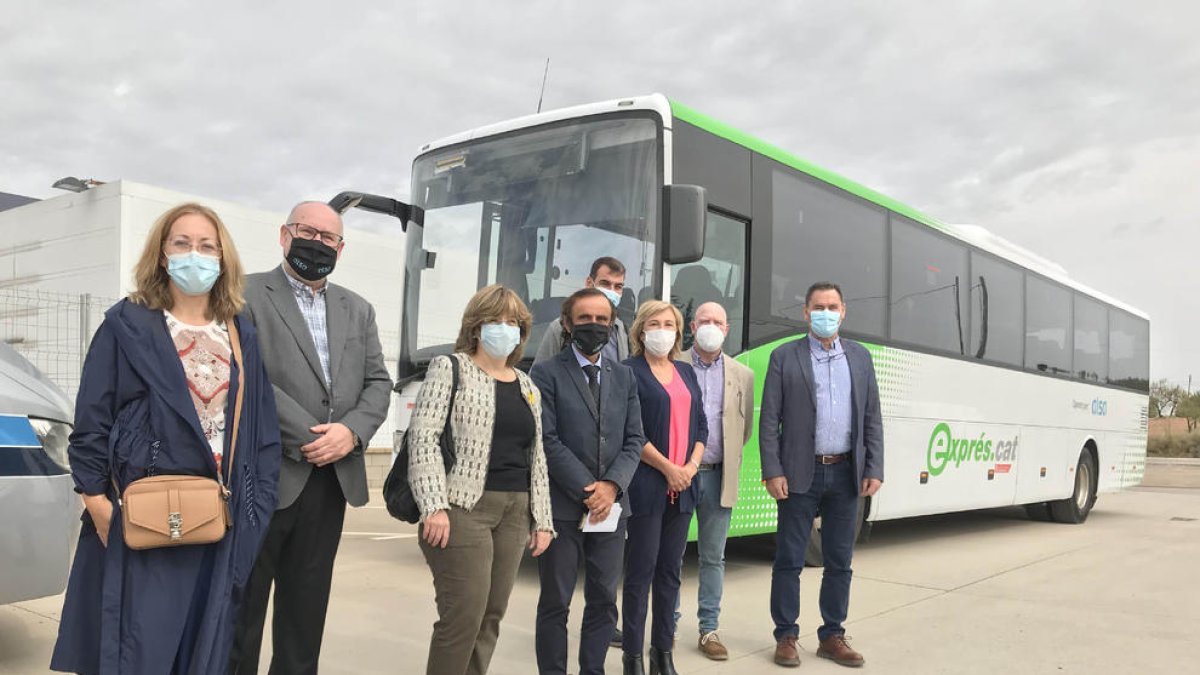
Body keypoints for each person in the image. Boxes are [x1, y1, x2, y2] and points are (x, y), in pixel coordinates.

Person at [50, 203, 282, 674]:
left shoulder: (241, 335)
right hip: (143, 514)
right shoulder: (126, 326)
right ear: (161, 254)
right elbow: (92, 420)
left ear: (222, 258)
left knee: (204, 649)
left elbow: (262, 434)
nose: (193, 255)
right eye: (181, 243)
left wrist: (254, 515)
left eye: (206, 246)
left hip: (217, 518)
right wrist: (96, 500)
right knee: (140, 648)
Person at [229, 201, 392, 675]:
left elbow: (378, 382)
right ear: (284, 235)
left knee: (305, 614)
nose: (317, 244)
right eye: (308, 232)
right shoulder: (244, 294)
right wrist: (312, 435)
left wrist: (351, 433)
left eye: (329, 238)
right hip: (263, 476)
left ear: (341, 248)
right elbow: (244, 372)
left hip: (329, 484)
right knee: (243, 612)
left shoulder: (357, 309)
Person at [407, 284, 556, 675]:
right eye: (494, 320)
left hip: (515, 510)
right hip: (463, 508)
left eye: (512, 323)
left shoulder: (526, 384)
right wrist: (434, 506)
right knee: (463, 616)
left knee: (491, 615)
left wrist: (542, 519)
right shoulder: (449, 368)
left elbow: (536, 455)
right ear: (476, 327)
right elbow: (423, 439)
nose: (503, 329)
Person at [760, 282, 884, 669]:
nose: (825, 313)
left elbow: (871, 418)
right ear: (806, 312)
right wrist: (772, 470)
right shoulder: (785, 356)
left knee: (840, 560)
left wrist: (874, 467)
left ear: (843, 311)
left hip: (847, 473)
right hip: (800, 473)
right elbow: (769, 420)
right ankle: (786, 636)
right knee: (790, 559)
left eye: (832, 306)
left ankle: (832, 634)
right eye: (818, 307)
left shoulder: (860, 358)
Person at [530, 288, 645, 675]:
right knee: (555, 601)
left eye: (602, 320)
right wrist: (588, 489)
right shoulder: (546, 374)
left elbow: (634, 440)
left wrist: (611, 487)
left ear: (612, 327)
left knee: (602, 599)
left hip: (613, 510)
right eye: (585, 319)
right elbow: (546, 439)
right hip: (563, 507)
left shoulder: (625, 377)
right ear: (567, 324)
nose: (594, 326)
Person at [622, 300, 708, 675]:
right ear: (641, 330)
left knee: (671, 574)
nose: (662, 330)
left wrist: (688, 467)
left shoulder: (687, 373)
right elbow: (631, 432)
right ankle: (633, 658)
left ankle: (662, 655)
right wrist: (668, 468)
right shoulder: (629, 372)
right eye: (654, 323)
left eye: (669, 324)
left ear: (678, 331)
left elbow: (702, 429)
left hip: (684, 487)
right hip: (646, 486)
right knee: (640, 574)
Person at [674, 302, 755, 661]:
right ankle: (667, 623)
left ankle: (709, 629)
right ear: (693, 325)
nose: (710, 326)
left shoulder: (742, 374)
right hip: (677, 477)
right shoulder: (675, 365)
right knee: (670, 555)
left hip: (719, 477)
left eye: (717, 322)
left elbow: (744, 430)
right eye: (704, 320)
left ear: (727, 328)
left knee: (713, 557)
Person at [533, 256, 631, 365]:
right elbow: (538, 377)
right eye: (605, 283)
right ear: (589, 283)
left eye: (618, 286)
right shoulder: (560, 328)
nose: (612, 291)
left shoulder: (622, 330)